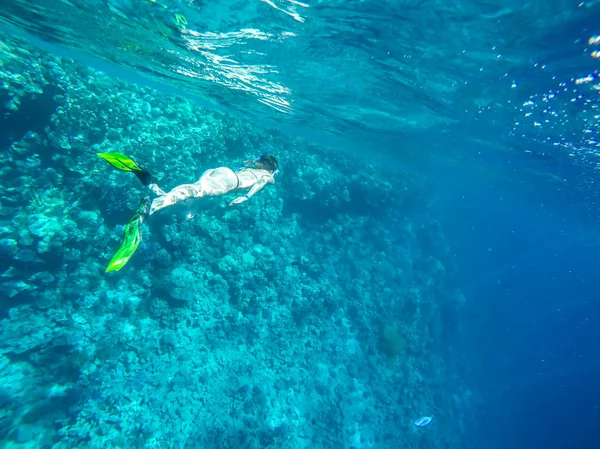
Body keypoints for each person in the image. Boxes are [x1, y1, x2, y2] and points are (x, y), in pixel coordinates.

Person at [96, 152, 279, 272]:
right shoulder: (268, 176)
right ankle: (148, 209)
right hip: (230, 183)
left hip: (221, 172)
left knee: (187, 193)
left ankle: (145, 178)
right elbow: (261, 183)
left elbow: (214, 177)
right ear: (271, 169)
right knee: (193, 192)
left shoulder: (250, 166)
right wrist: (247, 197)